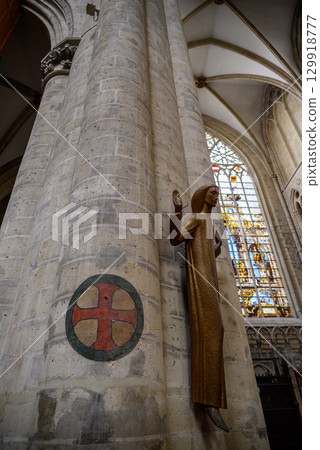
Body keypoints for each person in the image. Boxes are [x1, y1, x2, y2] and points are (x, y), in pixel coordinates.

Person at [170, 185, 229, 432]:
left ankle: (210, 397)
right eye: (213, 192)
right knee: (213, 330)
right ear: (202, 196)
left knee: (217, 330)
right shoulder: (194, 217)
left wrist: (218, 246)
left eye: (217, 193)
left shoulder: (207, 222)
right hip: (200, 278)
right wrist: (176, 212)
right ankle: (208, 400)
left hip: (210, 277)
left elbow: (208, 251)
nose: (217, 196)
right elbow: (175, 240)